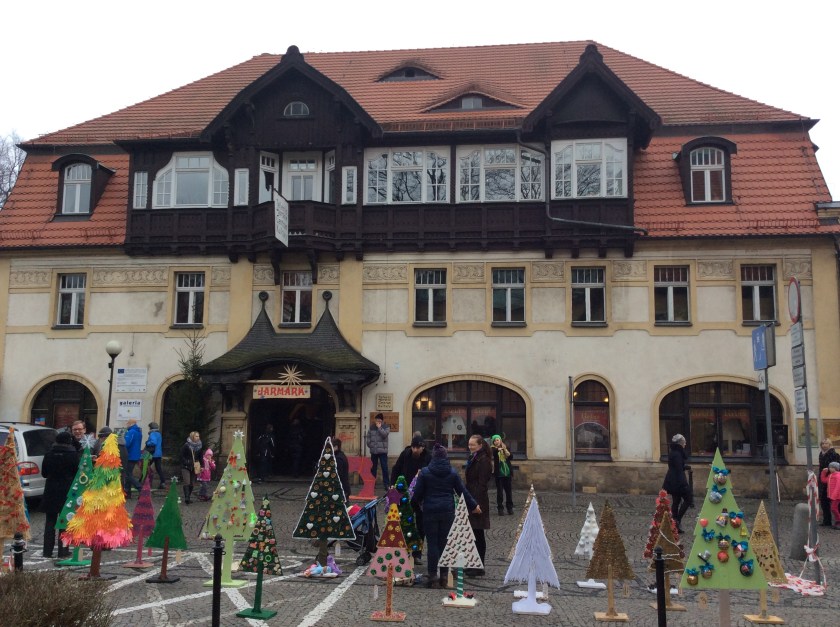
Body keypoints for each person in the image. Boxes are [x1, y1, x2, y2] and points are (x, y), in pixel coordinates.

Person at [411, 443, 480, 589]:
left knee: (432, 544)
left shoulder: (425, 472)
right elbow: (462, 492)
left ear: (433, 457)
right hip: (447, 511)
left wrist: (416, 506)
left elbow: (417, 494)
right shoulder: (452, 472)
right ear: (445, 457)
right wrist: (474, 505)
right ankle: (443, 576)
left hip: (430, 511)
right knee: (444, 544)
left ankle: (433, 577)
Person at [391, 433, 431, 564]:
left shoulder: (428, 457)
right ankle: (404, 550)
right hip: (405, 495)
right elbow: (396, 469)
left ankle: (417, 553)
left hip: (420, 497)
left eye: (417, 448)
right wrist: (392, 485)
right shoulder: (405, 454)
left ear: (422, 448)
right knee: (404, 522)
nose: (415, 450)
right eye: (413, 447)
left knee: (420, 525)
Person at [40, 431, 78, 558]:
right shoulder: (73, 455)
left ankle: (47, 551)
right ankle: (63, 551)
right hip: (66, 491)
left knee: (49, 522)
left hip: (51, 491)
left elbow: (44, 473)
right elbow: (76, 473)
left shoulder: (49, 454)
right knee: (64, 522)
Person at [464, 434, 492, 576]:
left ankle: (479, 566)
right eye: (469, 444)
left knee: (478, 534)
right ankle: (473, 563)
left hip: (478, 500)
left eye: (473, 445)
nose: (470, 447)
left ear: (480, 445)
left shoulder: (484, 460)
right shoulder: (473, 458)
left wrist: (476, 504)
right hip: (471, 497)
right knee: (472, 533)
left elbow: (482, 484)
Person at [663, 433, 692, 532]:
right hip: (677, 481)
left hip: (672, 480)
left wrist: (685, 467)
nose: (685, 444)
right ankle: (677, 520)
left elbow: (677, 467)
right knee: (688, 499)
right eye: (684, 443)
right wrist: (684, 484)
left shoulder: (674, 452)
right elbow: (678, 470)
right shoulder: (677, 454)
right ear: (680, 443)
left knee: (676, 501)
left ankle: (674, 524)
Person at [490, 434, 514, 515]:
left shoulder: (505, 447)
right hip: (499, 473)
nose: (496, 442)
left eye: (497, 440)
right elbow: (493, 454)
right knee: (500, 492)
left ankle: (510, 508)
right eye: (495, 441)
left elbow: (511, 457)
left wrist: (505, 451)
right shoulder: (493, 449)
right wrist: (498, 450)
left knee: (508, 491)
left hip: (507, 472)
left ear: (500, 440)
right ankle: (500, 508)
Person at [818, 438, 840, 527]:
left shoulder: (834, 454)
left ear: (830, 444)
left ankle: (838, 521)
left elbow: (837, 468)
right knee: (824, 501)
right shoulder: (821, 454)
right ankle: (827, 520)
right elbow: (821, 467)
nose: (824, 445)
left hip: (833, 480)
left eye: (826, 443)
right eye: (822, 443)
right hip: (824, 479)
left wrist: (830, 474)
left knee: (836, 503)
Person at [366, 413, 390, 490]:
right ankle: (372, 484)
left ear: (382, 420)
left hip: (383, 451)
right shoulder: (372, 427)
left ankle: (386, 484)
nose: (377, 421)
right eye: (376, 420)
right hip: (374, 451)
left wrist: (380, 428)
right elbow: (368, 437)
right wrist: (370, 444)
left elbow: (385, 435)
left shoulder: (386, 427)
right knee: (373, 468)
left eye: (379, 420)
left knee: (384, 468)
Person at [123, 418, 143, 499]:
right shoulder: (139, 432)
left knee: (127, 474)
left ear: (131, 424)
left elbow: (126, 443)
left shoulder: (131, 432)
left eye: (127, 423)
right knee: (128, 474)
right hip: (136, 455)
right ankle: (127, 493)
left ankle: (140, 488)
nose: (126, 425)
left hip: (130, 455)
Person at [181, 431, 202, 504]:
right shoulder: (186, 446)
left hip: (195, 466)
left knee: (192, 483)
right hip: (186, 466)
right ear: (192, 437)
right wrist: (186, 462)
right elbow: (181, 456)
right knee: (187, 482)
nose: (198, 437)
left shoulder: (199, 446)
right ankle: (186, 498)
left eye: (198, 436)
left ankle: (189, 497)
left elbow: (200, 457)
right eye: (196, 436)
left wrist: (202, 466)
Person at [145, 422, 165, 489]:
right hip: (158, 454)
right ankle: (163, 482)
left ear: (151, 427)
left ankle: (145, 482)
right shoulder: (159, 434)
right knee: (159, 468)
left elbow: (153, 442)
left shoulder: (152, 433)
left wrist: (147, 443)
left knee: (145, 467)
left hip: (152, 454)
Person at [332, 437, 351, 503]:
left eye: (331, 447)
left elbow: (338, 474)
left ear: (336, 447)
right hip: (344, 488)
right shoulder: (341, 455)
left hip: (342, 488)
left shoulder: (338, 458)